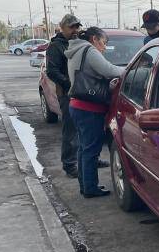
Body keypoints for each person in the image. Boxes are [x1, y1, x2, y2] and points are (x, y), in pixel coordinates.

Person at [65, 27, 125, 198]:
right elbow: (110, 70)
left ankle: (85, 185)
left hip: (77, 105)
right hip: (89, 108)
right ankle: (91, 188)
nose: (104, 47)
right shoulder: (89, 51)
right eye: (103, 43)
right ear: (94, 39)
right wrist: (130, 70)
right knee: (91, 150)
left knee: (84, 148)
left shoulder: (76, 49)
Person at [45, 14, 81, 177]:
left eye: (76, 27)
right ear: (62, 27)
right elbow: (52, 71)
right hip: (67, 93)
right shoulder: (56, 46)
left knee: (84, 129)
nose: (75, 30)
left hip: (82, 92)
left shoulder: (78, 42)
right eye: (71, 27)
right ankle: (69, 164)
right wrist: (69, 83)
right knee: (71, 130)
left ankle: (88, 159)